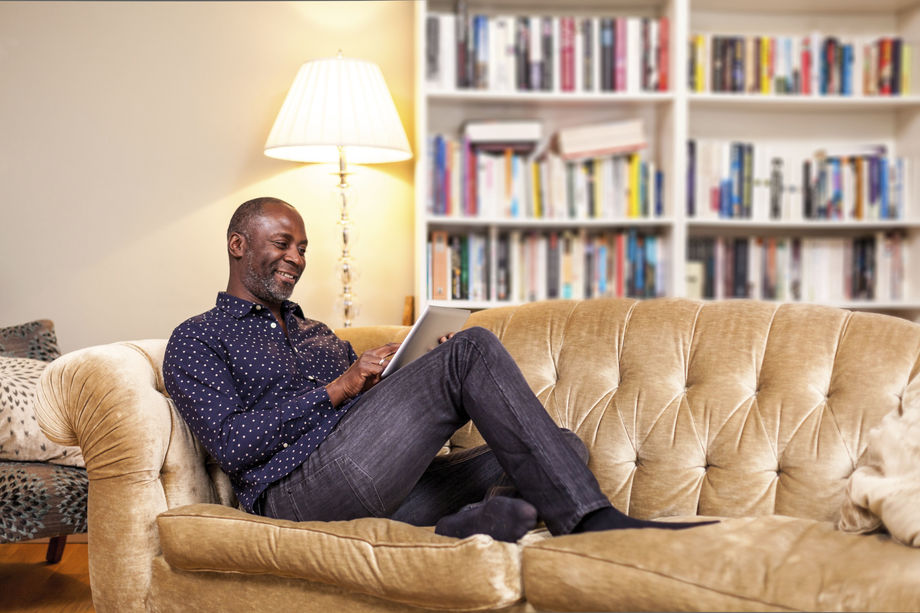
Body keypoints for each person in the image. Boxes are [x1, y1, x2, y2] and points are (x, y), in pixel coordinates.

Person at [163, 197, 713, 542]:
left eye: (304, 248)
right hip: (297, 498)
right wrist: (339, 387)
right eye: (282, 243)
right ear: (238, 245)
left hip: (384, 484)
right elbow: (233, 445)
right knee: (470, 350)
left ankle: (471, 526)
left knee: (562, 445)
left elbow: (369, 422)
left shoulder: (316, 334)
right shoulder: (198, 338)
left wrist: (413, 374)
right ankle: (594, 522)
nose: (298, 258)